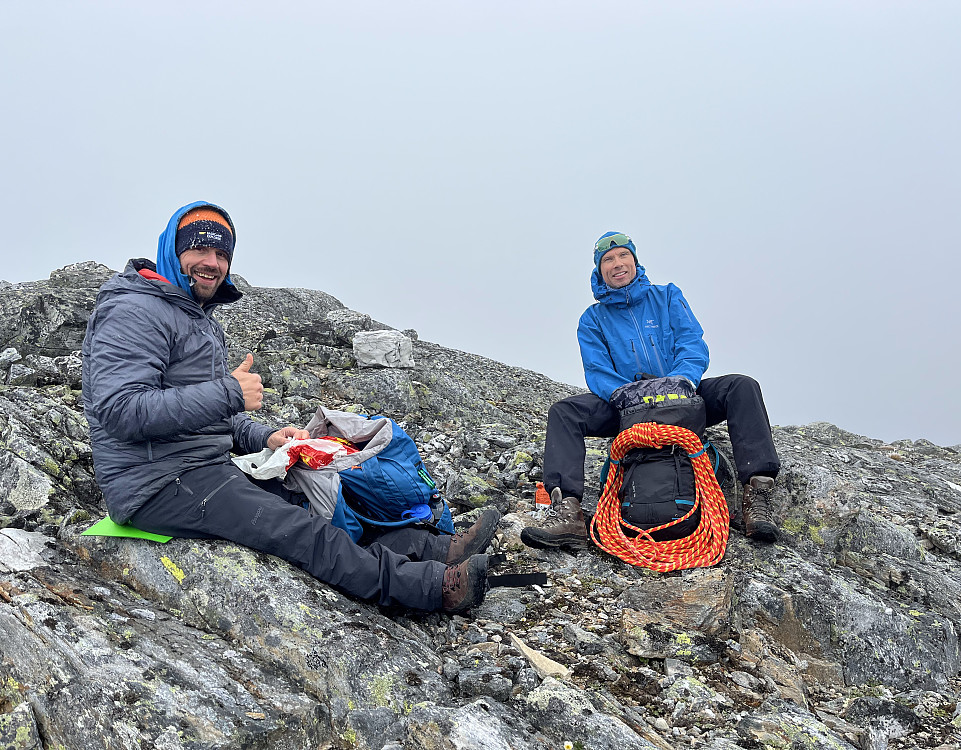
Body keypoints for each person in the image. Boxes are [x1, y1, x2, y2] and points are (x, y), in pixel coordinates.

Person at [81, 201, 498, 613]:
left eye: (222, 253)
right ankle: (432, 588)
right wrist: (229, 392)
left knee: (319, 498)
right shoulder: (133, 310)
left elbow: (205, 418)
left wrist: (264, 435)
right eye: (200, 250)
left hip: (201, 467)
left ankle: (437, 550)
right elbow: (121, 411)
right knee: (299, 530)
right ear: (173, 250)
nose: (212, 262)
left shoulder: (195, 316)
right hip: (155, 484)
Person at [521, 231, 781, 550]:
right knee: (564, 413)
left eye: (622, 256)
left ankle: (758, 494)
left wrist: (681, 381)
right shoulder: (592, 320)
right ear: (599, 270)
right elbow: (597, 370)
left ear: (634, 259)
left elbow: (691, 343)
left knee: (741, 386)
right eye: (608, 260)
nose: (617, 264)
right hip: (629, 409)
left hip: (683, 399)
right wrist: (626, 395)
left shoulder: (668, 296)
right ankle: (567, 512)